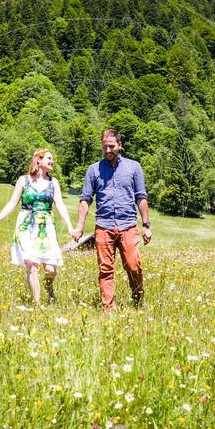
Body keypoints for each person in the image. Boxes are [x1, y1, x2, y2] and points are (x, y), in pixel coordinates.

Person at [72, 129, 152, 311]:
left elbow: (141, 197)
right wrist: (79, 226)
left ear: (120, 145)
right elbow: (85, 199)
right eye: (104, 146)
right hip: (104, 226)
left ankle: (138, 300)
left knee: (133, 266)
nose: (108, 150)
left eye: (111, 146)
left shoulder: (134, 167)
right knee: (105, 269)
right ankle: (107, 308)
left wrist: (146, 225)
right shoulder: (93, 170)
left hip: (128, 225)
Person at [0, 149, 73, 304]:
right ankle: (37, 303)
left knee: (51, 269)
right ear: (38, 160)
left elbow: (60, 204)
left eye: (52, 159)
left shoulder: (53, 183)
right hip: (25, 226)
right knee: (31, 265)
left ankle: (49, 287)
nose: (52, 161)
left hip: (45, 227)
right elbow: (12, 203)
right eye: (49, 158)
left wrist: (70, 227)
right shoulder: (23, 180)